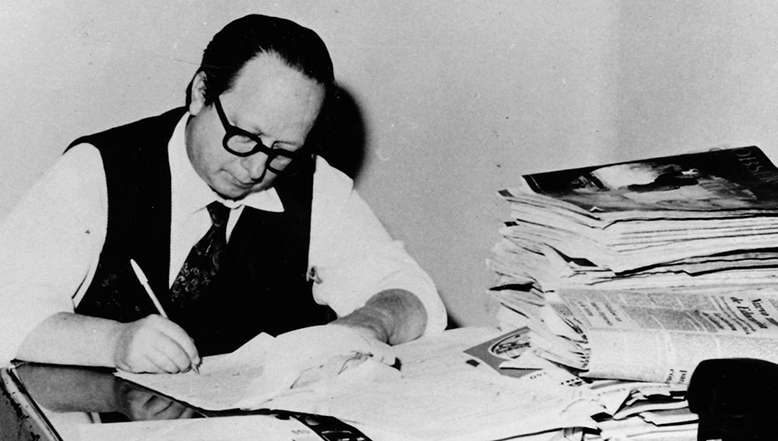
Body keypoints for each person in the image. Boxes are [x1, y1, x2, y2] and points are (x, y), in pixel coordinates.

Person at [0, 14, 446, 375]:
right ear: (200, 93)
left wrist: (367, 325)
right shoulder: (97, 169)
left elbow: (412, 292)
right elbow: (8, 307)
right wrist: (114, 342)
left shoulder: (314, 185)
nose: (256, 169)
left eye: (283, 151)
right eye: (245, 137)